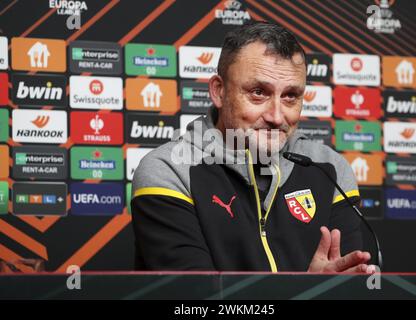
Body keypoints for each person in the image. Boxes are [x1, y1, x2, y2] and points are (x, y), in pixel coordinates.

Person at [131, 21, 374, 273]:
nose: (277, 117)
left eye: (290, 96)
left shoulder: (330, 169)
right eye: (259, 92)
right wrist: (306, 290)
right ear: (219, 91)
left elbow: (350, 288)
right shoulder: (168, 171)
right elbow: (194, 299)